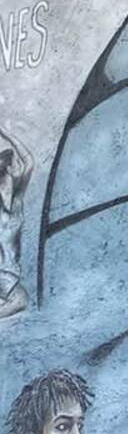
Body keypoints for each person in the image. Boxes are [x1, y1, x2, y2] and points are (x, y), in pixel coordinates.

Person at [0, 122, 34, 319]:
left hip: (7, 274)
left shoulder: (16, 199)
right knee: (21, 300)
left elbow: (29, 162)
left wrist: (5, 132)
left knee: (20, 299)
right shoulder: (13, 201)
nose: (19, 166)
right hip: (5, 275)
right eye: (15, 163)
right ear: (9, 169)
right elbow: (28, 162)